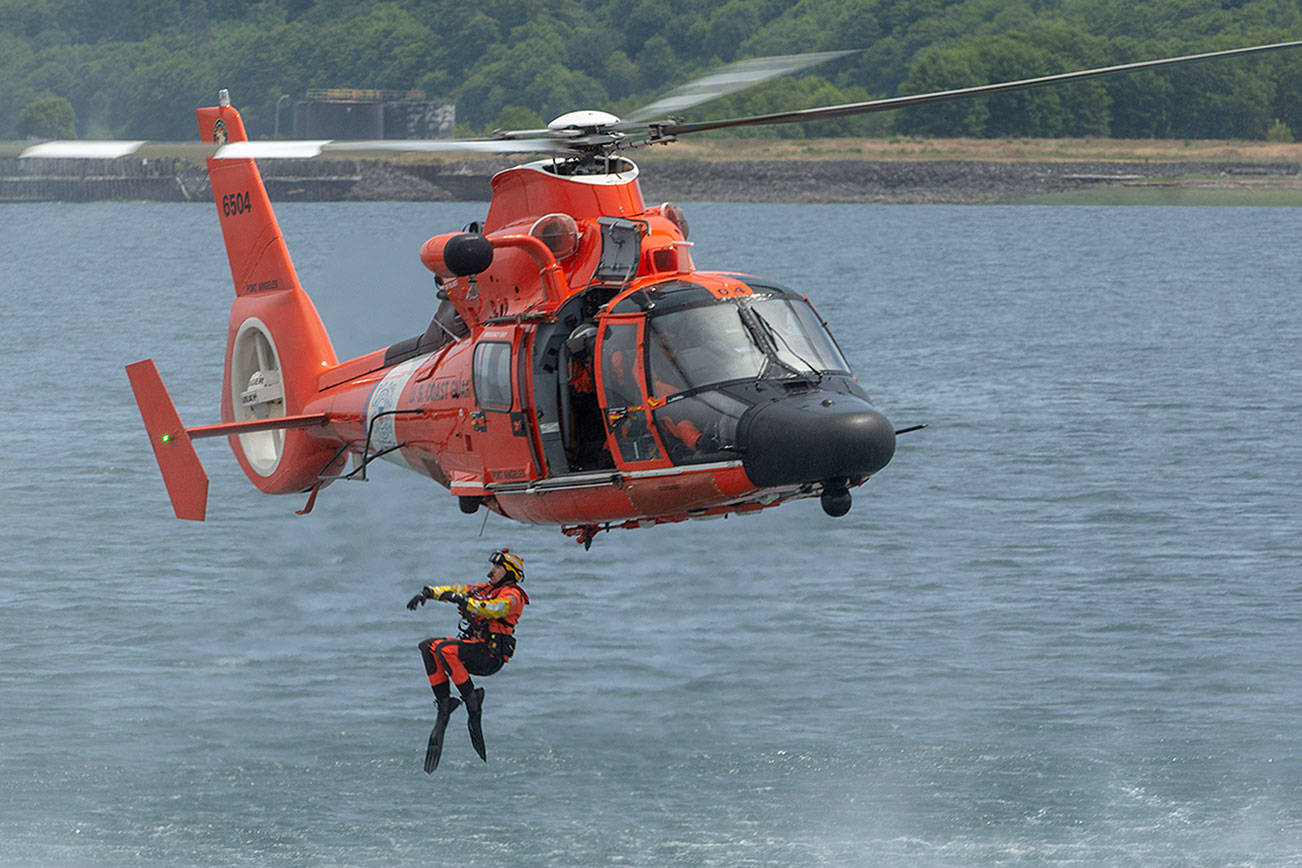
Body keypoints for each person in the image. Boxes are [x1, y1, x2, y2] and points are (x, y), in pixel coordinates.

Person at [406, 549, 529, 772]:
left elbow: (494, 609)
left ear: (508, 572)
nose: (491, 571)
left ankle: (472, 700)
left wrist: (467, 603)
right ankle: (445, 704)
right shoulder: (483, 589)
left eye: (497, 568)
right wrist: (428, 593)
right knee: (428, 647)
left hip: (490, 656)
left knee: (444, 649)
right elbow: (456, 590)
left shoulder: (513, 596)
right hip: (475, 649)